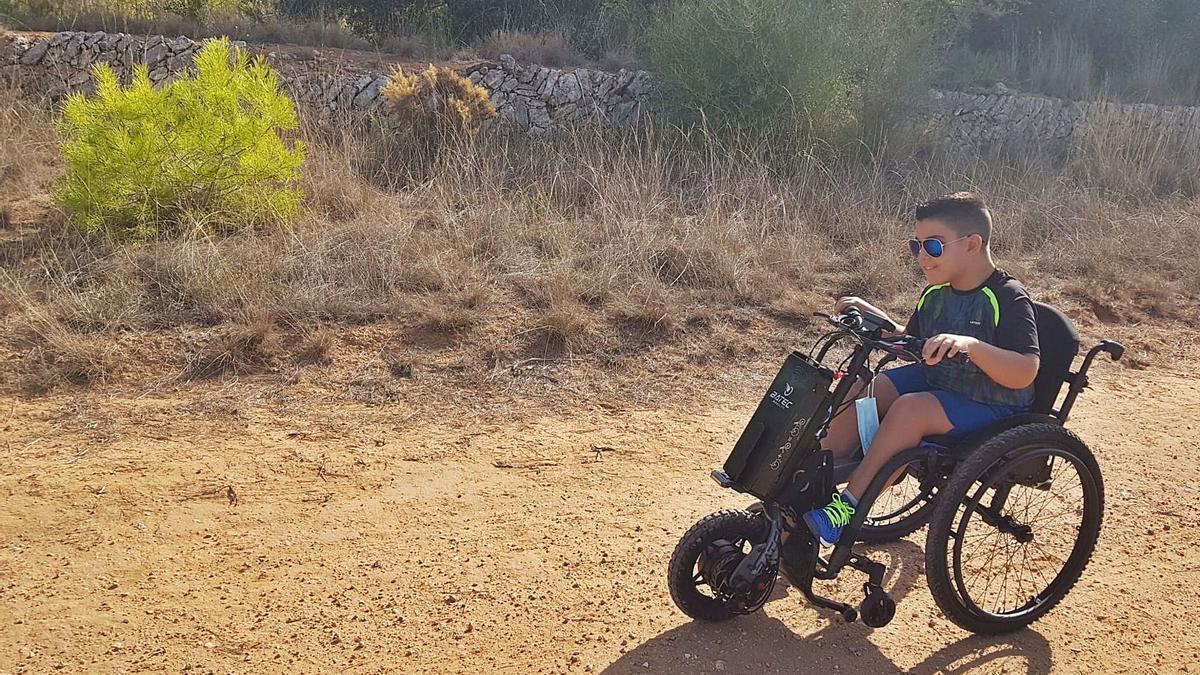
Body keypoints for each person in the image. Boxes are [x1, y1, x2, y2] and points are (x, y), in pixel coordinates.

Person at [803, 192, 1041, 546]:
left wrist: (972, 347)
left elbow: (1026, 370)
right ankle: (808, 486)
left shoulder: (1007, 296)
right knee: (866, 389)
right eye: (916, 246)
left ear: (973, 244)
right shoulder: (936, 294)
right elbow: (912, 343)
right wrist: (876, 318)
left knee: (911, 410)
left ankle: (847, 509)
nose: (921, 257)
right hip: (941, 383)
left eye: (932, 246)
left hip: (992, 400)